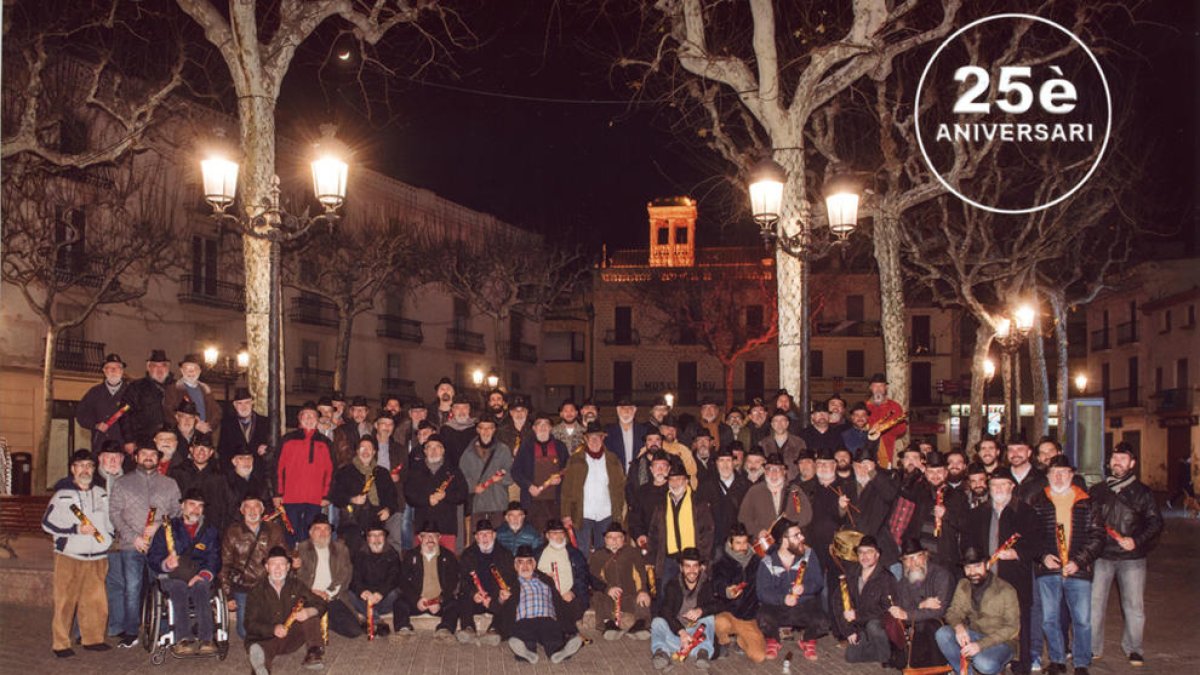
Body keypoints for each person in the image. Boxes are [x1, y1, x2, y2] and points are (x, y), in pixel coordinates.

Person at [1089, 442, 1163, 667]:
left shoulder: (1143, 492)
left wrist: (1137, 540)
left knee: (1134, 606)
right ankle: (1093, 648)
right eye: (1114, 458)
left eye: (1123, 458)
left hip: (1132, 560)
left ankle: (1134, 648)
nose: (1117, 462)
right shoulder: (1098, 490)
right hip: (1101, 556)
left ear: (1132, 463)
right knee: (1094, 605)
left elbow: (1156, 522)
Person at [1031, 456, 1104, 675]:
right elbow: (1030, 535)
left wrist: (1079, 561)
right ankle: (1057, 660)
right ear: (1048, 475)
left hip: (1078, 570)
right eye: (1054, 472)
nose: (1059, 476)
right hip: (1049, 569)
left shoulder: (1087, 501)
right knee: (1049, 619)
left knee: (1082, 620)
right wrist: (1043, 556)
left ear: (1072, 475)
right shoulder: (1038, 501)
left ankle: (1081, 663)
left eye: (1063, 472)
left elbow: (1098, 536)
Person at [964, 467, 1037, 673]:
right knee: (984, 620)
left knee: (1018, 621)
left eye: (1003, 484)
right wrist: (973, 562)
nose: (998, 489)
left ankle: (1022, 663)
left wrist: (1016, 553)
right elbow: (968, 542)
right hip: (986, 578)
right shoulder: (978, 513)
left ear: (1012, 486)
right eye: (994, 485)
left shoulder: (1025, 512)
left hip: (1015, 578)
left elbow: (1036, 544)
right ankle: (992, 659)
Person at [108, 444, 182, 647]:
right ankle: (131, 632)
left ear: (159, 458)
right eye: (144, 454)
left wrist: (159, 525)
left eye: (152, 455)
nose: (148, 457)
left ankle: (164, 630)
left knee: (162, 587)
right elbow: (114, 513)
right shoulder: (123, 483)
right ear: (136, 457)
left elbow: (177, 513)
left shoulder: (169, 483)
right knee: (131, 589)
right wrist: (133, 537)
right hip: (131, 546)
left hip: (159, 547)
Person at [43, 450, 115, 658]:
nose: (85, 470)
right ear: (73, 469)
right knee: (65, 601)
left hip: (97, 557)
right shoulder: (62, 495)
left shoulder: (101, 493)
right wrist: (74, 530)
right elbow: (47, 524)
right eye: (80, 465)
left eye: (89, 466)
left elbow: (109, 522)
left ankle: (93, 639)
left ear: (94, 469)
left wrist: (107, 538)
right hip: (69, 556)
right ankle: (61, 643)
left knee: (95, 601)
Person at [147, 488, 221, 656]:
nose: (195, 509)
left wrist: (203, 574)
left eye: (200, 506)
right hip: (172, 575)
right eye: (191, 504)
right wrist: (165, 563)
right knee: (178, 588)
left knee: (202, 587)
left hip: (197, 573)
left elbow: (214, 557)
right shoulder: (167, 527)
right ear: (182, 506)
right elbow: (153, 555)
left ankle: (207, 638)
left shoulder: (209, 531)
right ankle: (183, 638)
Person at [936, 547, 1020, 675]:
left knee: (984, 664)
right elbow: (953, 612)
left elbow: (1012, 628)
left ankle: (996, 665)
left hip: (1002, 641)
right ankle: (964, 672)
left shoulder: (1006, 590)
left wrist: (980, 645)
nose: (972, 572)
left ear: (987, 565)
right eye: (968, 568)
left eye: (976, 566)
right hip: (975, 634)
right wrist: (958, 627)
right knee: (942, 634)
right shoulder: (964, 585)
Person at [244, 546, 327, 674]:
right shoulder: (257, 592)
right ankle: (261, 667)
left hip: (291, 636)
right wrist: (273, 629)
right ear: (267, 567)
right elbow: (250, 624)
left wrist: (309, 612)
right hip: (267, 638)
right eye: (273, 564)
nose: (278, 568)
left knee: (311, 615)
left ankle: (313, 653)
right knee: (264, 648)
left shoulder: (296, 585)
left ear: (288, 567)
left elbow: (320, 603)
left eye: (282, 564)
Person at [755, 519, 828, 661]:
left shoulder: (808, 554)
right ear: (784, 540)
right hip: (779, 606)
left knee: (823, 622)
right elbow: (762, 592)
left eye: (800, 534)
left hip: (804, 604)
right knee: (763, 619)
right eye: (796, 535)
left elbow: (818, 582)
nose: (802, 538)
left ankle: (807, 639)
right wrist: (783, 598)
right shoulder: (767, 561)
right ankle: (773, 639)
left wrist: (805, 588)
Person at [498, 545, 585, 664]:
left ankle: (558, 653)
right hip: (524, 619)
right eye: (520, 562)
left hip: (547, 617)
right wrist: (502, 599)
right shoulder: (510, 583)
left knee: (553, 637)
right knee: (524, 637)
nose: (524, 566)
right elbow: (499, 603)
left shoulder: (546, 580)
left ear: (534, 565)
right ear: (515, 565)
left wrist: (571, 628)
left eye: (528, 562)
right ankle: (527, 653)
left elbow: (559, 603)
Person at [221, 495, 286, 640]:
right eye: (248, 507)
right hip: (243, 587)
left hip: (268, 586)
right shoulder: (232, 532)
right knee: (244, 631)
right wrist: (228, 595)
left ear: (262, 510)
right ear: (242, 510)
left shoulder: (274, 529)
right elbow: (225, 565)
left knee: (276, 626)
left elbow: (283, 557)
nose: (252, 510)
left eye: (256, 506)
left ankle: (266, 642)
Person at [560, 421, 626, 554]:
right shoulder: (575, 460)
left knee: (603, 552)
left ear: (603, 438)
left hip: (606, 513)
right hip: (582, 513)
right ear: (586, 438)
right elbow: (566, 490)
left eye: (598, 437)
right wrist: (566, 514)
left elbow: (619, 488)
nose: (595, 440)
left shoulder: (613, 460)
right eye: (591, 437)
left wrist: (618, 512)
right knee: (582, 551)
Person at [274, 402, 334, 546]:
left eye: (312, 415)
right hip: (290, 497)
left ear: (317, 419)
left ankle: (307, 566)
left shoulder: (325, 442)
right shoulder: (288, 439)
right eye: (305, 415)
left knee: (309, 535)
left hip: (315, 498)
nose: (309, 418)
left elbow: (331, 470)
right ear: (299, 418)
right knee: (290, 534)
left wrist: (327, 495)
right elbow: (277, 467)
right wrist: (277, 493)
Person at [329, 435, 401, 554]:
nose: (365, 452)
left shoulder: (382, 473)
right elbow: (335, 496)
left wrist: (388, 510)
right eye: (362, 448)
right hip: (352, 524)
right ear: (357, 451)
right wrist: (352, 499)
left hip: (376, 523)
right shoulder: (345, 472)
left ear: (374, 452)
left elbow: (392, 497)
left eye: (369, 448)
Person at [890, 538, 955, 669]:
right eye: (907, 559)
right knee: (902, 663)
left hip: (944, 626)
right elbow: (902, 612)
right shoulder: (903, 582)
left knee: (931, 625)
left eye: (916, 557)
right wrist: (921, 605)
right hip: (917, 628)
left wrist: (908, 614)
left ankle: (940, 669)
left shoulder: (941, 575)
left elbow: (938, 611)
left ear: (925, 555)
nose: (912, 563)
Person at [647, 460, 715, 583]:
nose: (675, 483)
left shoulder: (698, 503)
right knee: (667, 596)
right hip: (669, 560)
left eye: (679, 479)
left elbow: (707, 533)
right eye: (671, 480)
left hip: (692, 561)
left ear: (686, 481)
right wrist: (651, 560)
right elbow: (653, 534)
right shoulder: (661, 505)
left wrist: (703, 560)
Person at [650, 548, 718, 670]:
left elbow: (718, 604)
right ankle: (661, 653)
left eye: (695, 566)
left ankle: (702, 653)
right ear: (681, 568)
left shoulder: (706, 584)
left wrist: (700, 610)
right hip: (676, 634)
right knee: (657, 622)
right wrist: (681, 632)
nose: (691, 571)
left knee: (709, 618)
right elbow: (665, 611)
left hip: (696, 636)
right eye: (687, 566)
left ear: (700, 567)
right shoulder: (673, 585)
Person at [836, 535, 898, 666]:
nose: (864, 556)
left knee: (873, 626)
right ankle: (878, 651)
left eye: (869, 552)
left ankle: (887, 653)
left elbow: (886, 610)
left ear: (877, 555)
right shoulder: (851, 574)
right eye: (861, 552)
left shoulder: (886, 578)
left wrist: (857, 615)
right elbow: (838, 602)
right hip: (859, 626)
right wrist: (849, 630)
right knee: (851, 657)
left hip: (879, 625)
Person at [709, 524, 767, 662]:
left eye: (745, 543)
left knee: (759, 656)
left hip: (748, 617)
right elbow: (717, 583)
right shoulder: (721, 562)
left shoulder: (757, 561)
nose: (742, 547)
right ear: (730, 543)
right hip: (728, 613)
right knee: (718, 622)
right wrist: (726, 591)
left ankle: (741, 641)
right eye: (738, 543)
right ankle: (723, 641)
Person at [294, 514, 358, 638]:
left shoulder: (341, 549)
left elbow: (345, 574)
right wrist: (311, 591)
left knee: (354, 631)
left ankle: (323, 619)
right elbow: (295, 579)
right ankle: (316, 619)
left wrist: (328, 593)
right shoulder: (301, 549)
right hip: (308, 597)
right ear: (311, 532)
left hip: (332, 597)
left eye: (326, 529)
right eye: (318, 529)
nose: (323, 533)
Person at [455, 519, 515, 645]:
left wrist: (500, 596)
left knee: (509, 601)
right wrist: (474, 594)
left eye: (488, 533)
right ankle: (468, 628)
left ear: (494, 535)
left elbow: (510, 579)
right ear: (476, 537)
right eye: (481, 534)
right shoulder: (468, 554)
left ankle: (494, 630)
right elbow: (464, 579)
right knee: (462, 595)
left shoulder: (505, 554)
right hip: (477, 598)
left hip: (495, 600)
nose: (485, 537)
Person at [395, 521, 459, 637]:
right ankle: (403, 629)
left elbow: (453, 581)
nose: (430, 539)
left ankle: (445, 629)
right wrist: (416, 599)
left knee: (454, 604)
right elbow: (403, 581)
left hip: (439, 602)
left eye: (434, 535)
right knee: (400, 603)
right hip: (419, 601)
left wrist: (440, 599)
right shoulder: (410, 556)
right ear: (420, 538)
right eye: (426, 535)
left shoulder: (448, 556)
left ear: (439, 537)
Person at [403, 435, 467, 552]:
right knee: (423, 566)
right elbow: (409, 495)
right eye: (429, 447)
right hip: (422, 529)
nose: (433, 451)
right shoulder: (415, 470)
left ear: (443, 450)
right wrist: (427, 500)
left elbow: (463, 494)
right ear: (425, 451)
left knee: (447, 566)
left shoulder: (453, 470)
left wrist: (446, 496)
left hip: (446, 528)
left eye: (437, 447)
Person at [588, 522, 652, 640]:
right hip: (608, 596)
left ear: (623, 539)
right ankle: (609, 625)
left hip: (628, 595)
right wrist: (608, 589)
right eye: (611, 537)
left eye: (618, 537)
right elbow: (593, 578)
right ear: (605, 539)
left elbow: (640, 573)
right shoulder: (598, 555)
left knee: (642, 598)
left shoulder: (632, 552)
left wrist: (643, 590)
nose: (614, 540)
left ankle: (640, 625)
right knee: (598, 597)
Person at [912, 450, 968, 573]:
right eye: (931, 472)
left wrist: (946, 515)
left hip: (945, 559)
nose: (935, 475)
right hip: (921, 558)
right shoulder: (919, 494)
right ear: (925, 473)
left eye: (939, 471)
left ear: (946, 473)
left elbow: (965, 525)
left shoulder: (958, 497)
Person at [738, 453, 812, 547]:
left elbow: (805, 514)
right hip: (765, 544)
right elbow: (743, 517)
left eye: (778, 469)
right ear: (765, 471)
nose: (773, 474)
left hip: (790, 544)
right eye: (769, 469)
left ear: (784, 471)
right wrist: (758, 531)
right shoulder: (754, 492)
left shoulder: (794, 492)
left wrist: (788, 526)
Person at [848, 448, 902, 570]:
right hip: (855, 550)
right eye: (858, 466)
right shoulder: (848, 485)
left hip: (881, 547)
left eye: (866, 466)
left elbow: (890, 495)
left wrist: (872, 473)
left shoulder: (883, 481)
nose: (862, 470)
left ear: (874, 466)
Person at [511, 413, 567, 530]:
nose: (543, 428)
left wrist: (561, 479)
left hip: (554, 502)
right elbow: (515, 471)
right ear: (534, 428)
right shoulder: (526, 446)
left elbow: (568, 470)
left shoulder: (560, 447)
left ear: (551, 428)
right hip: (532, 502)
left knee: (554, 532)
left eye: (546, 424)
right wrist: (529, 486)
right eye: (539, 425)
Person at [169, 431, 234, 530]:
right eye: (198, 448)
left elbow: (230, 505)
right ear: (191, 450)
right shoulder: (178, 473)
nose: (201, 452)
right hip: (180, 529)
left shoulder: (220, 477)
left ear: (211, 452)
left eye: (205, 449)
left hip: (211, 531)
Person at [347, 523, 402, 637]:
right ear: (367, 538)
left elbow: (394, 578)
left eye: (380, 535)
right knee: (348, 594)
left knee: (395, 593)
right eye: (373, 535)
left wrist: (381, 593)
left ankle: (367, 618)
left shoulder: (392, 554)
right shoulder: (359, 554)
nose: (376, 539)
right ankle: (376, 620)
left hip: (383, 599)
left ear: (385, 537)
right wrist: (362, 591)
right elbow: (354, 577)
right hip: (364, 599)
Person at [534, 519, 589, 633]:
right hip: (546, 596)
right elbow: (529, 575)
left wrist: (573, 592)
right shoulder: (537, 553)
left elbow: (583, 576)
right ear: (547, 535)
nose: (559, 536)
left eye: (561, 533)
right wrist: (543, 576)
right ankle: (569, 634)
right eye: (554, 533)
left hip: (570, 596)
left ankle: (564, 634)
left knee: (569, 607)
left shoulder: (574, 553)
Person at [459, 417, 514, 530]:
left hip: (498, 502)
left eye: (489, 428)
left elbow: (511, 475)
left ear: (494, 430)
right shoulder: (468, 452)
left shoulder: (503, 450)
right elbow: (462, 477)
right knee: (478, 537)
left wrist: (501, 479)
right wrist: (473, 487)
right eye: (482, 428)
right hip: (477, 504)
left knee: (499, 537)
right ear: (477, 430)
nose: (486, 431)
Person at [76, 353, 131, 458]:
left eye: (117, 368)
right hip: (101, 446)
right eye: (109, 368)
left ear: (122, 371)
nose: (113, 371)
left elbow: (141, 419)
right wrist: (95, 425)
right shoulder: (94, 392)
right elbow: (81, 415)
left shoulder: (132, 392)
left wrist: (133, 441)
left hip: (125, 447)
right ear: (104, 371)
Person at [120, 349, 174, 451]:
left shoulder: (177, 387)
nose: (159, 370)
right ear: (148, 367)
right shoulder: (136, 387)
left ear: (168, 367)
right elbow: (124, 413)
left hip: (170, 441)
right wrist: (128, 440)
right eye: (155, 366)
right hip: (143, 441)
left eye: (163, 365)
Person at [703, 447, 751, 557]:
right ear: (716, 463)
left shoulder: (745, 486)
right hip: (714, 544)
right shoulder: (706, 487)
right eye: (721, 460)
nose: (725, 465)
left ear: (734, 463)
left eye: (728, 460)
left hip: (739, 544)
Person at [162, 352, 221, 439]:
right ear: (181, 370)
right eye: (187, 368)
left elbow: (217, 412)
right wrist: (195, 425)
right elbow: (169, 412)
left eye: (194, 368)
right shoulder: (173, 389)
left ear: (200, 371)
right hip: (182, 436)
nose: (191, 371)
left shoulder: (206, 389)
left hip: (204, 435)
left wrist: (209, 426)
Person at [217, 387, 271, 470]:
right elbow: (222, 450)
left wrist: (267, 448)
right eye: (240, 403)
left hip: (259, 473)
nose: (244, 407)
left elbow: (274, 447)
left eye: (247, 402)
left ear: (252, 402)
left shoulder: (264, 422)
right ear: (234, 405)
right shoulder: (227, 424)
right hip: (235, 474)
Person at [865, 373, 907, 468]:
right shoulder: (864, 407)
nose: (878, 389)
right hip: (867, 452)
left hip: (887, 453)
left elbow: (902, 429)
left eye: (881, 386)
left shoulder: (894, 407)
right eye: (875, 386)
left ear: (886, 387)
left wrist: (886, 427)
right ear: (870, 388)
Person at [758, 410, 807, 481]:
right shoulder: (763, 443)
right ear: (772, 424)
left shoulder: (799, 443)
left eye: (782, 420)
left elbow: (804, 465)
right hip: (771, 482)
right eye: (776, 421)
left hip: (793, 482)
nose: (779, 424)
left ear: (787, 423)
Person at [227, 448, 272, 521]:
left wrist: (265, 515)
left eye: (249, 458)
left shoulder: (260, 481)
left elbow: (267, 504)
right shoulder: (226, 482)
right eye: (241, 458)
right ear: (234, 462)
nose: (246, 462)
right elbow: (228, 508)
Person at [331, 396, 373, 469]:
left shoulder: (372, 430)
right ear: (351, 411)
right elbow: (343, 455)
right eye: (356, 410)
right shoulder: (342, 430)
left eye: (362, 410)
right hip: (348, 470)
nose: (359, 413)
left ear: (367, 412)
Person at [439, 394, 479, 466]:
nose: (461, 411)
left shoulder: (477, 428)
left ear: (469, 409)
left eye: (465, 407)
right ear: (452, 410)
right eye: (457, 408)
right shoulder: (445, 430)